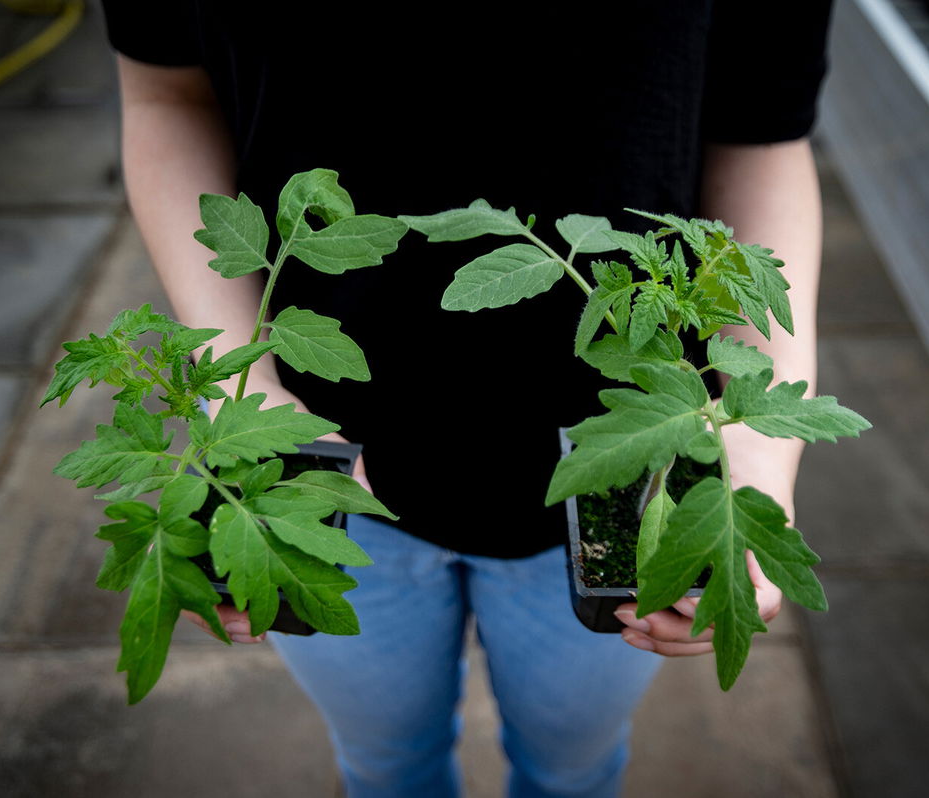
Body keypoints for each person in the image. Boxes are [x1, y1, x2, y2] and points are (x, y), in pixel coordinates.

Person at [99, 3, 833, 796]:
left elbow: (763, 132)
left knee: (572, 769)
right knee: (387, 766)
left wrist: (754, 438)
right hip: (311, 462)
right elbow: (165, 95)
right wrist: (239, 387)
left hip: (625, 477)